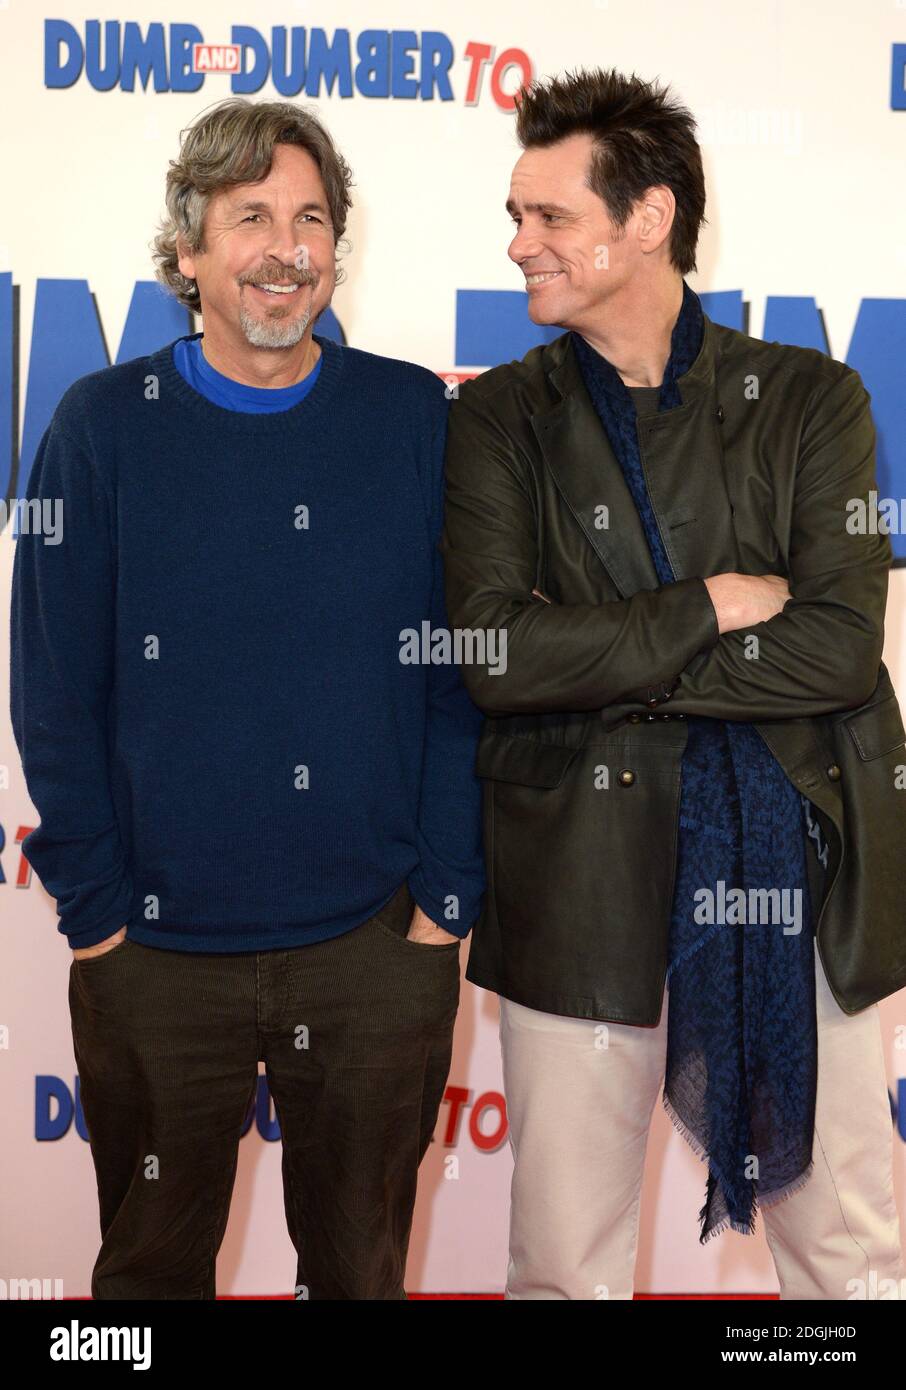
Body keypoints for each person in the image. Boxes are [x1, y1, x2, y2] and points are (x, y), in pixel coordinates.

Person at [441, 67, 906, 1300]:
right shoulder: (500, 423)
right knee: (564, 1265)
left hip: (796, 868)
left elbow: (838, 652)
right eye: (516, 213)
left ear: (646, 219)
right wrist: (705, 606)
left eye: (548, 217)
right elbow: (492, 656)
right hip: (577, 878)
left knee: (848, 1257)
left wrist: (593, 652)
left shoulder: (812, 399)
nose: (518, 243)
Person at [10, 96, 484, 1300]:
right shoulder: (103, 428)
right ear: (188, 253)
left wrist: (443, 899)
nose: (288, 246)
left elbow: (464, 666)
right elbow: (52, 688)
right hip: (156, 957)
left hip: (374, 947)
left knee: (364, 1275)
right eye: (251, 217)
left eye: (312, 217)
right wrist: (102, 918)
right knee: (142, 1288)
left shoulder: (410, 421)